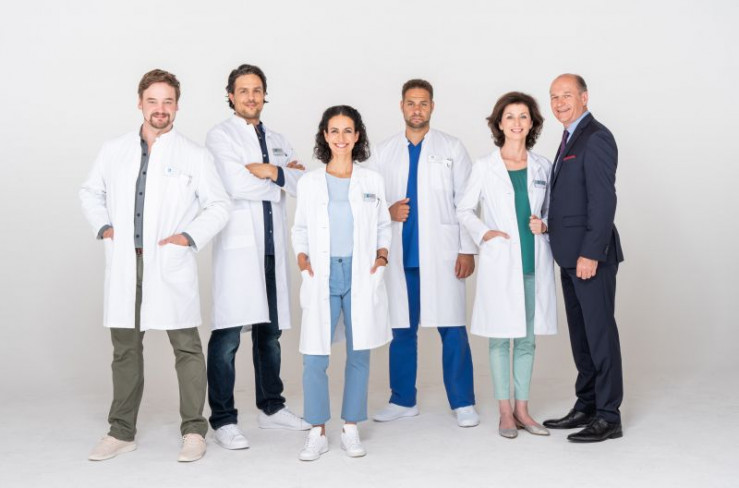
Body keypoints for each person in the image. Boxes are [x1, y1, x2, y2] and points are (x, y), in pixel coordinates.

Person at [80, 69, 230, 462]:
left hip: (168, 263)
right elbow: (90, 192)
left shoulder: (194, 155)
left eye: (168, 101)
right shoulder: (114, 150)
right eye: (152, 101)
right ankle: (121, 431)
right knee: (125, 350)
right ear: (139, 103)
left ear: (177, 106)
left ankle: (194, 431)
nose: (160, 109)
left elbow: (219, 205)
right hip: (126, 263)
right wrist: (105, 228)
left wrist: (188, 237)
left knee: (187, 348)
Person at [205, 64, 309, 450]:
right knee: (228, 336)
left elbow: (303, 183)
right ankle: (223, 418)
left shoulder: (278, 138)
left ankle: (271, 407)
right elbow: (234, 184)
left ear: (265, 95)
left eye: (257, 90)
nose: (251, 97)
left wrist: (268, 171)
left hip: (271, 248)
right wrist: (280, 178)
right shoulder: (220, 136)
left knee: (271, 334)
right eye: (243, 90)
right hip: (239, 249)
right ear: (230, 96)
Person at [369, 79, 479, 427]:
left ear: (432, 107)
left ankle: (463, 402)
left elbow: (466, 203)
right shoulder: (383, 152)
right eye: (411, 103)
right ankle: (402, 400)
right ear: (401, 106)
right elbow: (367, 199)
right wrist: (387, 211)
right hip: (400, 255)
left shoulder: (452, 147)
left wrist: (466, 250)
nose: (417, 109)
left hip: (443, 255)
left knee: (452, 328)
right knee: (401, 329)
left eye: (423, 103)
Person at [292, 105, 392, 461]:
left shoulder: (372, 181)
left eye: (348, 130)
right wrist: (302, 259)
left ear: (357, 136)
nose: (341, 137)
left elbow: (383, 224)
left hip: (361, 272)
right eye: (334, 130)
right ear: (325, 135)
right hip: (321, 273)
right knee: (314, 355)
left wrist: (381, 257)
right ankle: (317, 430)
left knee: (359, 351)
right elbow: (300, 228)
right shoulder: (309, 183)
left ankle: (350, 427)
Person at [457, 92, 557, 439]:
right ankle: (504, 411)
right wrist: (485, 233)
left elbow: (553, 211)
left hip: (533, 263)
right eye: (510, 116)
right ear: (499, 123)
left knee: (527, 340)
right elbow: (464, 209)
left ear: (532, 123)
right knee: (500, 339)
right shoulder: (485, 166)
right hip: (501, 263)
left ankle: (523, 410)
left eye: (523, 116)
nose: (517, 123)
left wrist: (545, 225)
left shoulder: (543, 166)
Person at [543, 74, 624, 442]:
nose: (559, 103)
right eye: (554, 97)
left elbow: (603, 201)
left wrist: (591, 253)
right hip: (569, 257)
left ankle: (608, 416)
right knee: (582, 336)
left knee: (599, 334)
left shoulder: (596, 137)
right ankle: (587, 404)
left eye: (567, 95)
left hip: (591, 258)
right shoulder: (568, 138)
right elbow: (569, 201)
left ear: (585, 97)